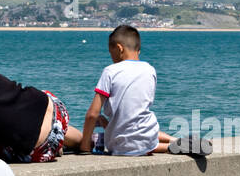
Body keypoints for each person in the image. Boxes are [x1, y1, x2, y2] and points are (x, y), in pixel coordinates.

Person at [78, 24, 209, 157]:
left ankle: (170, 146)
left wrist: (85, 146)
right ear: (138, 50)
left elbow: (92, 114)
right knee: (138, 124)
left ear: (119, 48)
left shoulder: (110, 71)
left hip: (119, 147)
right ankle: (173, 141)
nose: (112, 58)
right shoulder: (150, 70)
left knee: (117, 127)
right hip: (146, 135)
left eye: (111, 54)